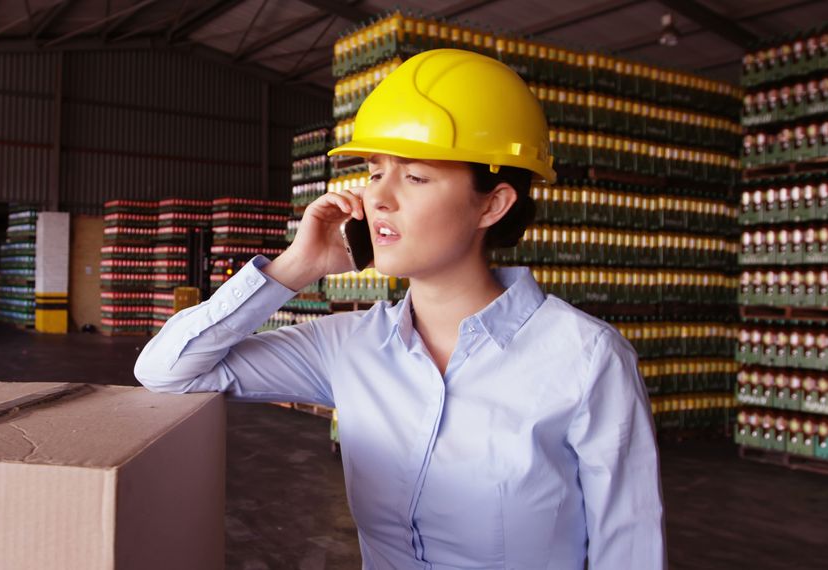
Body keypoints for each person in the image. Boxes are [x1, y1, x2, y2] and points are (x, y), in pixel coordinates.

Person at [135, 49, 665, 569]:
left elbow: (630, 545)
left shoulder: (586, 358)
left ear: (493, 203)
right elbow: (167, 372)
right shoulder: (348, 346)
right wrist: (296, 267)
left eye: (414, 177)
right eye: (373, 172)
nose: (379, 199)